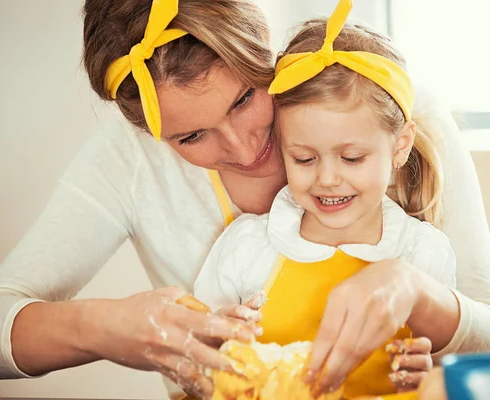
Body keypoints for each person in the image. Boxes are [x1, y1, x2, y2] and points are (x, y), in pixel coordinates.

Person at [0, 0, 490, 398]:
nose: (244, 148)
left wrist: (416, 292)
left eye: (245, 98)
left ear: (262, 41)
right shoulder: (127, 160)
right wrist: (102, 327)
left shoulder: (382, 104)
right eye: (190, 138)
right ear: (151, 136)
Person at [193, 0, 455, 397]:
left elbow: (446, 366)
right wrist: (218, 338)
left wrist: (428, 368)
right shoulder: (246, 247)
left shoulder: (424, 254)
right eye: (304, 158)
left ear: (400, 146)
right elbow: (195, 359)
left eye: (351, 158)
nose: (327, 179)